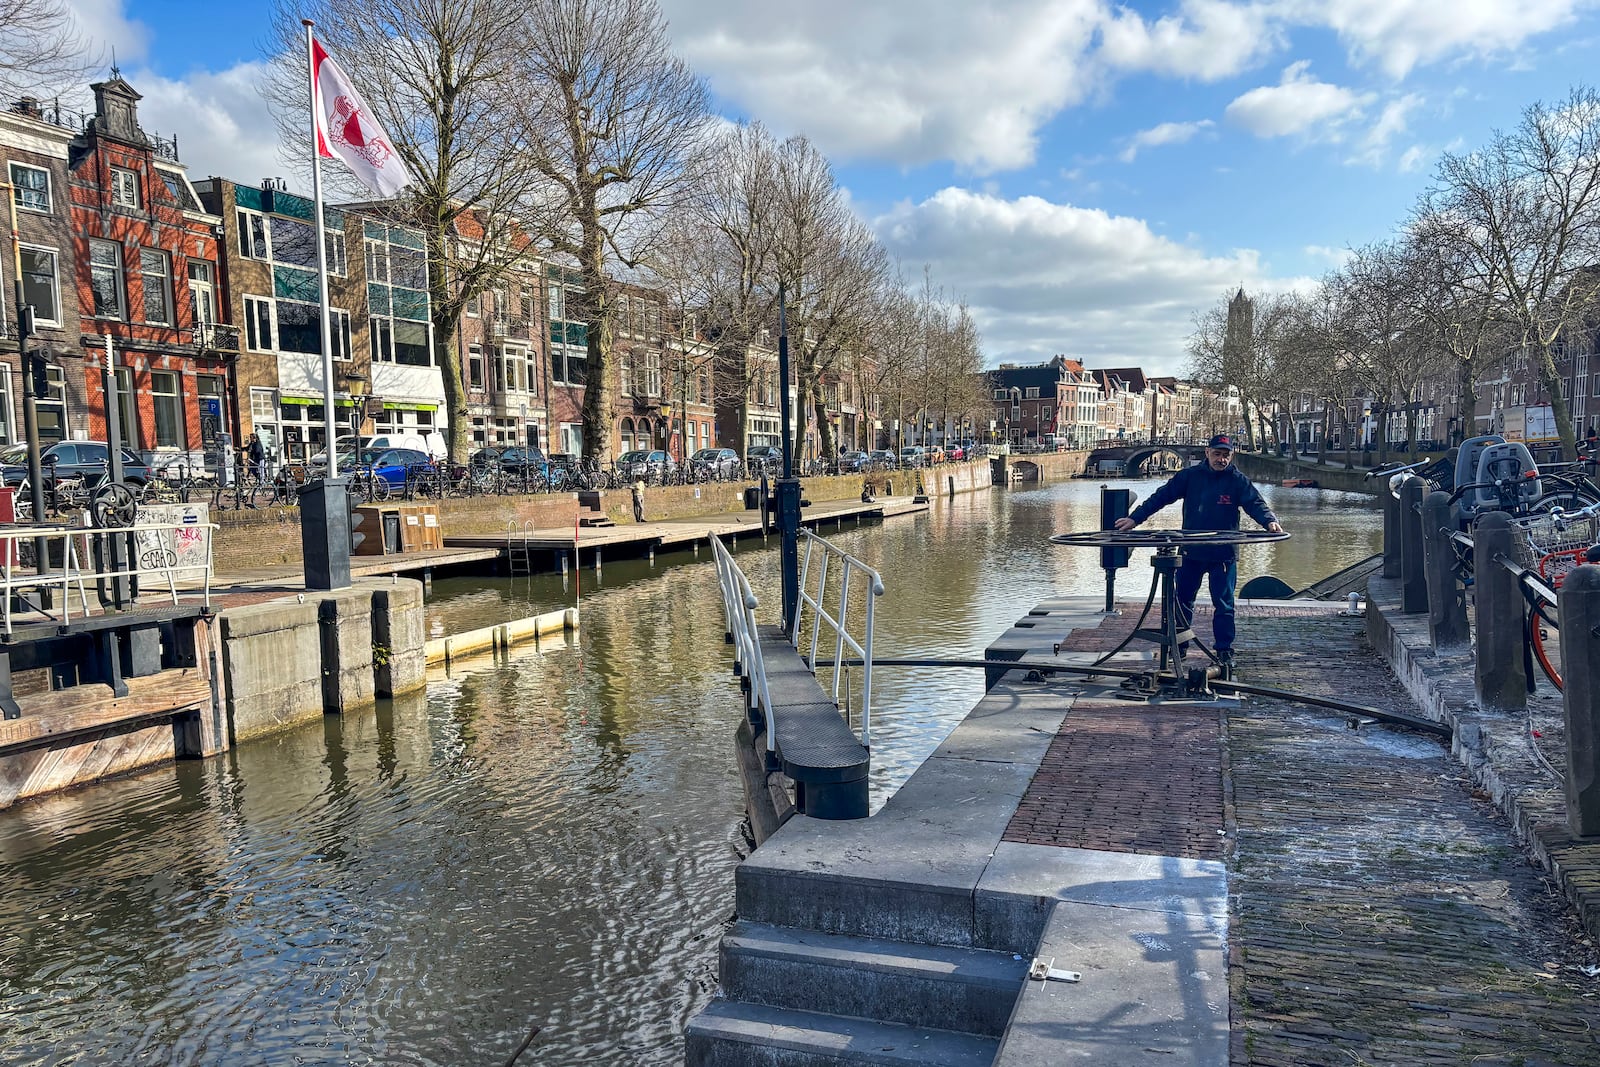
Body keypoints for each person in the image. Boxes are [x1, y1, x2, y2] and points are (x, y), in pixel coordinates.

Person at [1113, 434, 1284, 666]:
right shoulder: (1190, 477)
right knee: (1182, 601)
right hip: (1191, 551)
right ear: (1207, 453)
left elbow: (1255, 503)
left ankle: (1224, 651)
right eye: (1217, 454)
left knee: (1224, 605)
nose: (1221, 459)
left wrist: (1269, 522)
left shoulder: (1237, 480)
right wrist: (1135, 519)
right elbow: (1161, 497)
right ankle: (1179, 647)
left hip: (1222, 554)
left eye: (1226, 455)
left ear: (1231, 456)